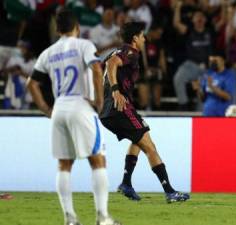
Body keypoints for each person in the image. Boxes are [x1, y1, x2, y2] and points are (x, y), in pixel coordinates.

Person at [26, 10, 121, 225]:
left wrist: (46, 110)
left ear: (57, 29)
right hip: (81, 106)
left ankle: (70, 219)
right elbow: (97, 68)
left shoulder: (48, 52)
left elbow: (31, 84)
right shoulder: (84, 45)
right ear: (77, 27)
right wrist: (98, 101)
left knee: (64, 165)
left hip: (59, 109)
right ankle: (103, 218)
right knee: (98, 160)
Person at [99, 21, 190, 203]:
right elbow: (110, 64)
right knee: (150, 146)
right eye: (141, 35)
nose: (144, 38)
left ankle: (126, 183)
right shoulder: (130, 53)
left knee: (139, 138)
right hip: (120, 108)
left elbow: (106, 64)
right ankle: (169, 192)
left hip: (108, 111)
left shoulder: (117, 51)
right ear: (134, 38)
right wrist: (116, 89)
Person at [173, 1, 213, 110]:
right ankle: (183, 105)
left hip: (206, 67)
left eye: (202, 16)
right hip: (191, 65)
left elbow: (224, 22)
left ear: (205, 20)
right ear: (192, 20)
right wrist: (178, 7)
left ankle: (199, 113)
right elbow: (176, 23)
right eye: (197, 17)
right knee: (178, 78)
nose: (199, 18)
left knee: (204, 90)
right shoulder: (189, 30)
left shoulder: (210, 31)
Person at [192, 52, 236, 116]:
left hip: (222, 115)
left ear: (223, 61)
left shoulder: (229, 75)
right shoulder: (208, 73)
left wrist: (212, 87)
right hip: (207, 113)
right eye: (211, 61)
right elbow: (203, 98)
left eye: (215, 60)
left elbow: (228, 97)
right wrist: (198, 89)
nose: (212, 63)